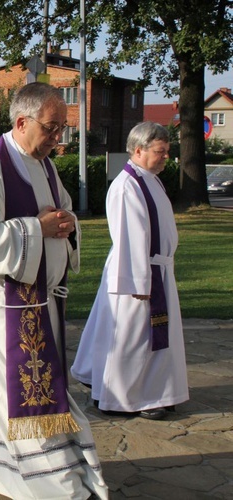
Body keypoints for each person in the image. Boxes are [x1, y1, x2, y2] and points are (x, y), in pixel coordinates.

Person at [0, 82, 108, 499]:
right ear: (22, 122)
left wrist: (67, 223)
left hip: (41, 302)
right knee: (23, 395)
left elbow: (61, 213)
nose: (58, 139)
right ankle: (56, 482)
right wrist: (36, 228)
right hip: (4, 306)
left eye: (62, 130)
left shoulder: (44, 165)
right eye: (52, 128)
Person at [71, 121, 189, 420]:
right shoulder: (127, 186)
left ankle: (153, 390)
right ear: (138, 150)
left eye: (167, 151)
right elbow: (129, 236)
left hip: (156, 269)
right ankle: (123, 397)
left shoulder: (149, 179)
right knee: (132, 337)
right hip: (138, 274)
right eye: (160, 151)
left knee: (147, 337)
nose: (166, 157)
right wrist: (138, 282)